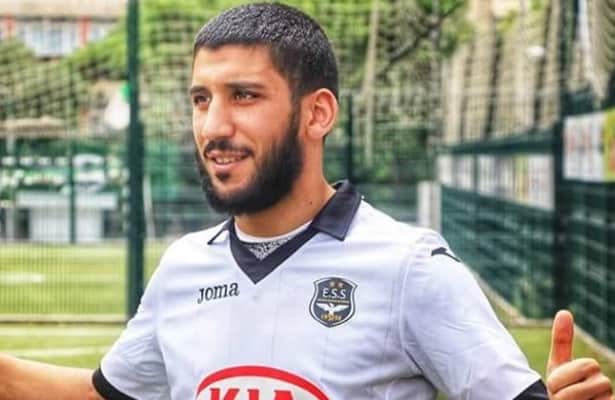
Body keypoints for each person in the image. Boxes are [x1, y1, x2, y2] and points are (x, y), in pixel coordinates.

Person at [0, 3, 613, 400]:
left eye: (243, 96)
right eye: (201, 100)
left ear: (317, 113)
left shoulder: (410, 266)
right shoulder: (182, 266)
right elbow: (105, 393)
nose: (213, 126)